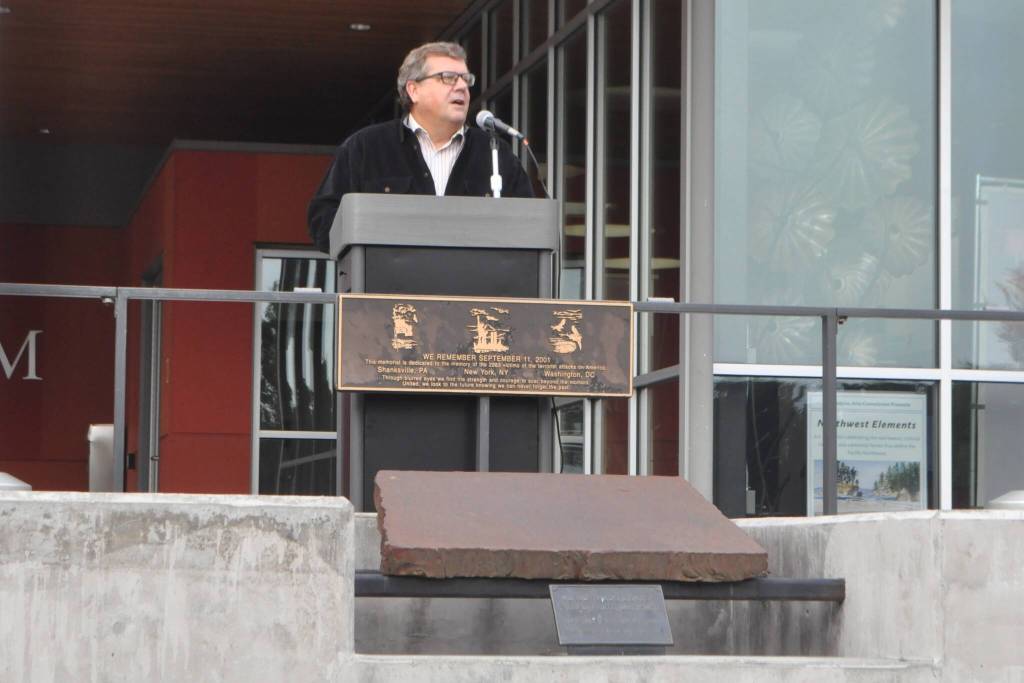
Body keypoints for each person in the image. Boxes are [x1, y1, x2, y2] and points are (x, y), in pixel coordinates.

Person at [307, 41, 534, 253]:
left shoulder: (495, 153)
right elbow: (323, 222)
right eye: (448, 77)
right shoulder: (366, 147)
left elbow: (529, 228)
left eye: (466, 79)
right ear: (413, 90)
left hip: (472, 289)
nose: (463, 86)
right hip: (389, 289)